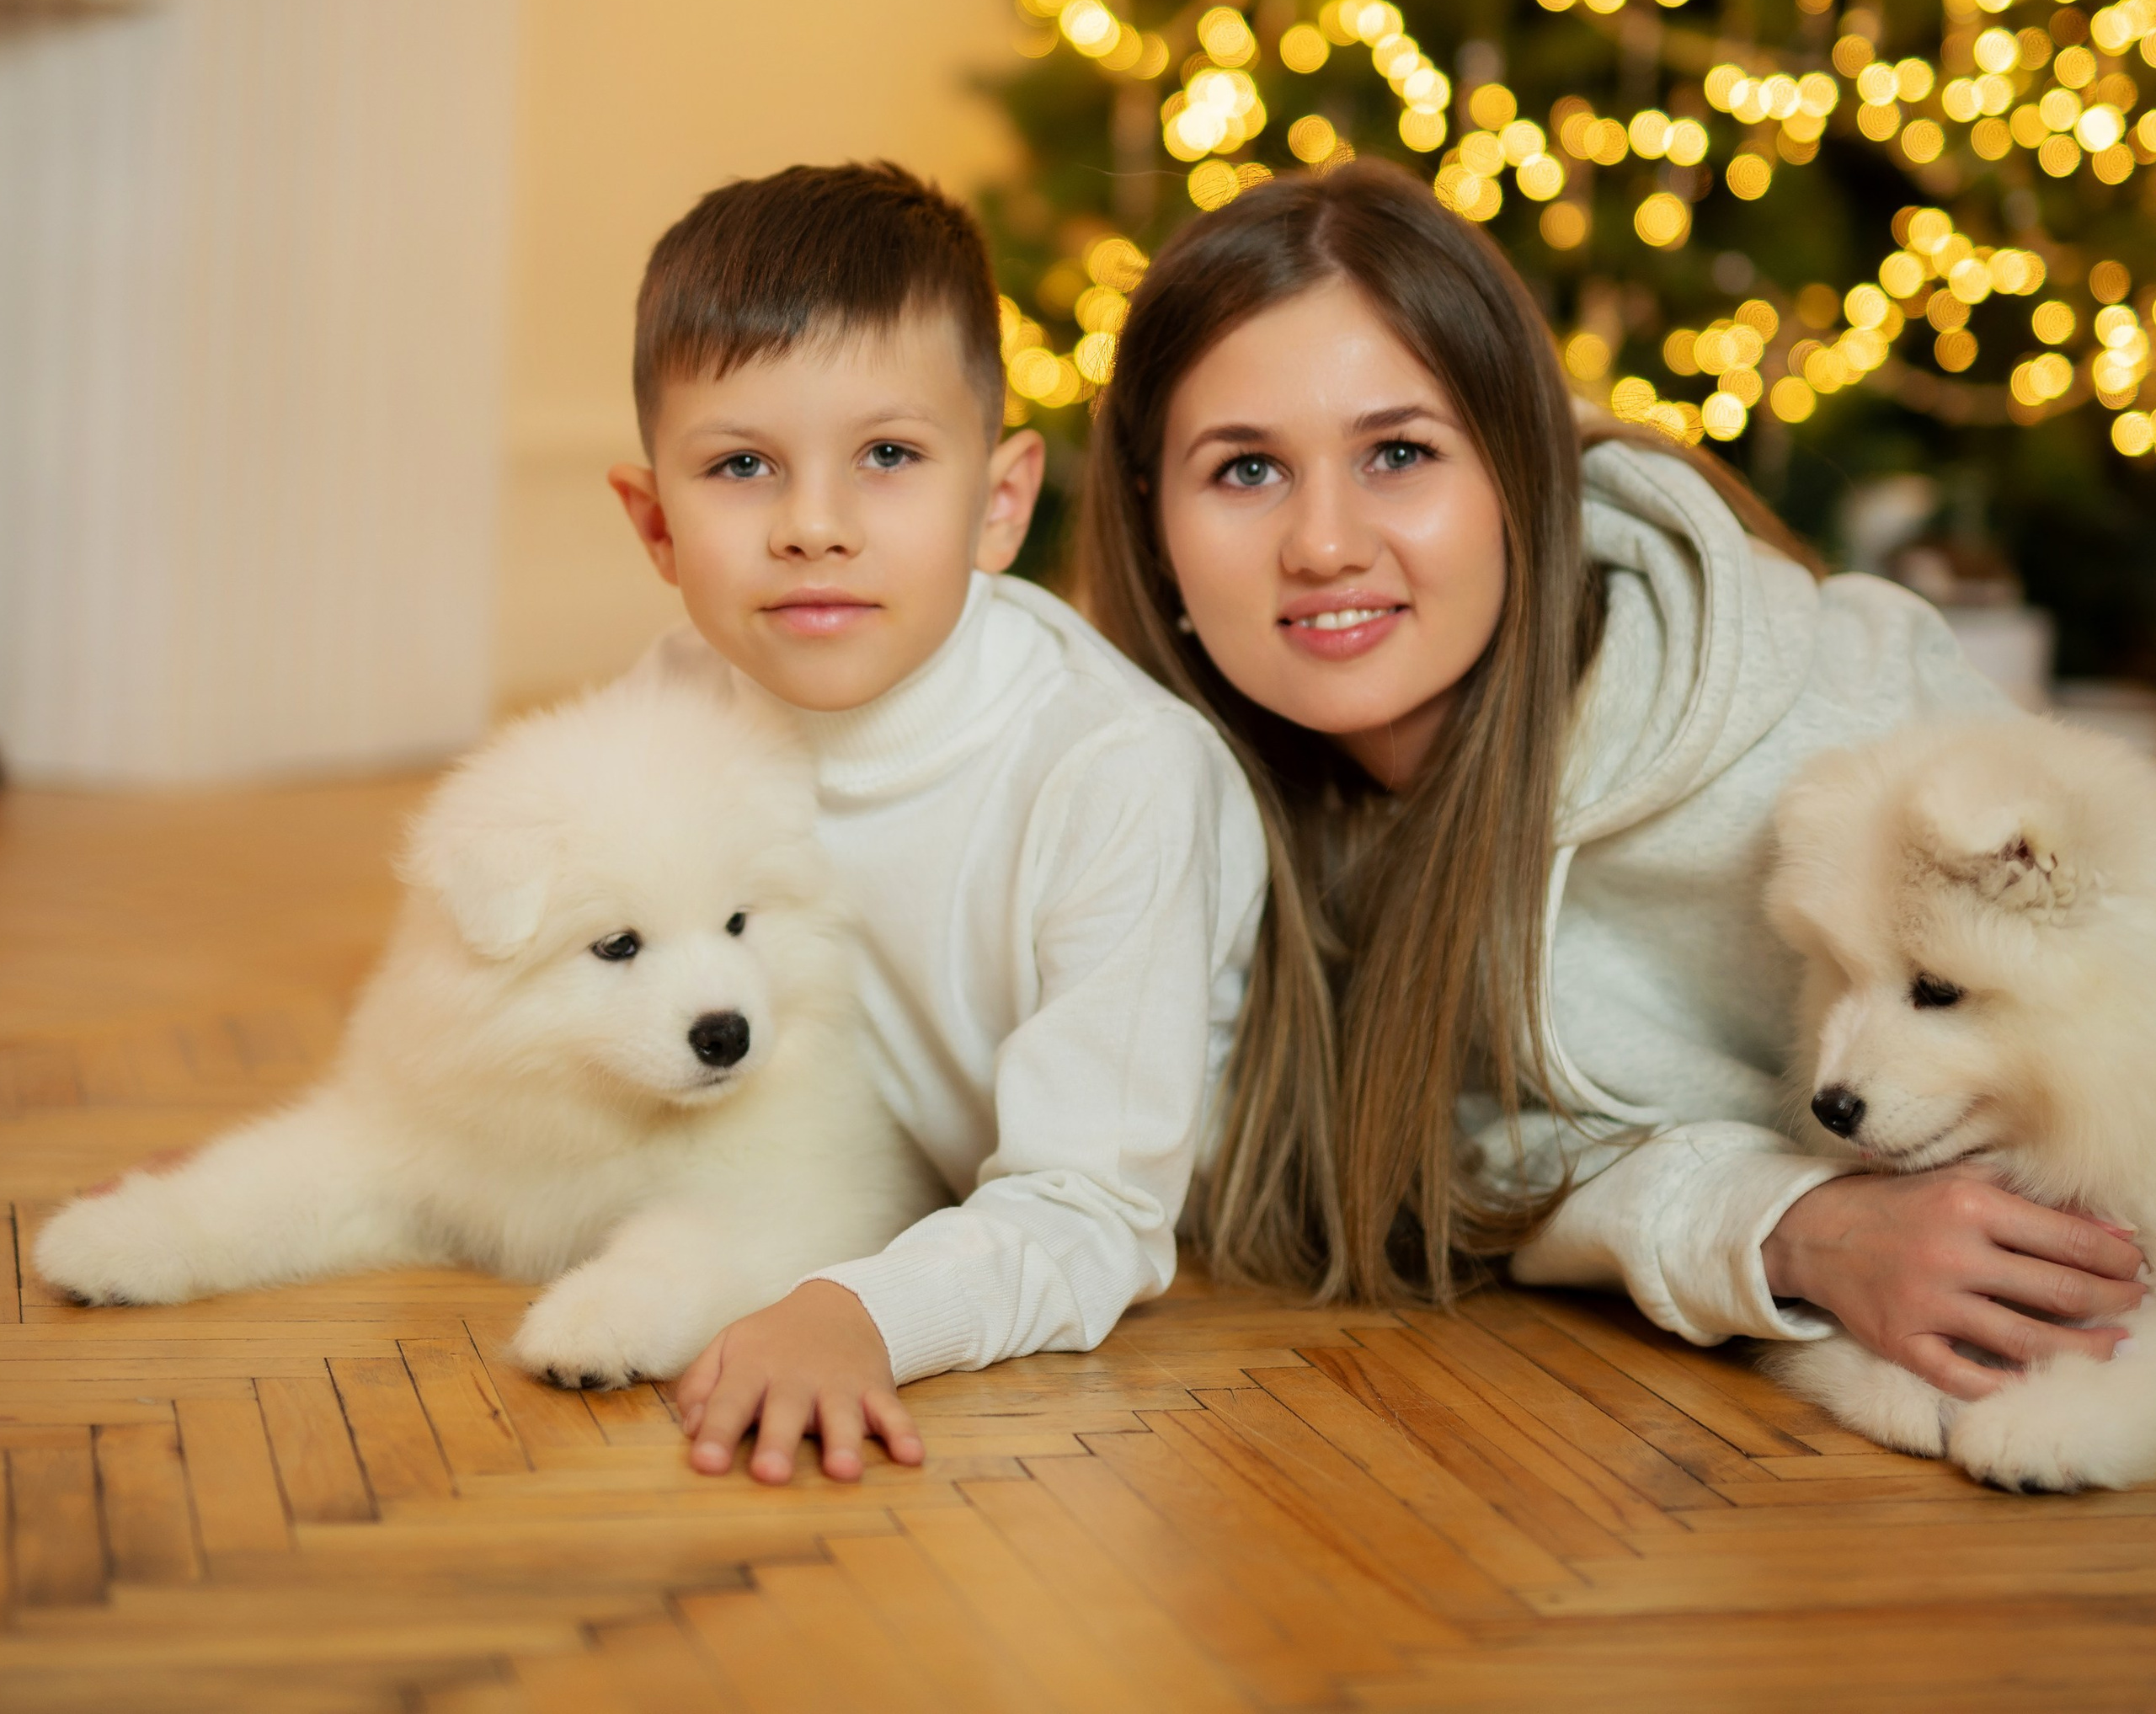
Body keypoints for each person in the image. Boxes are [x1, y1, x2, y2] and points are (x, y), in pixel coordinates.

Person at [1080, 159, 2147, 1401]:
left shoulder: (1828, 716)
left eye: (1400, 454)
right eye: (1246, 470)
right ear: (1155, 526)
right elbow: (1491, 1165)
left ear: (1520, 478)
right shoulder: (1183, 809)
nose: (1323, 545)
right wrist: (1791, 1225)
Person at [607, 161, 1266, 1484]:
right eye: (742, 465)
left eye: (889, 457)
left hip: (1175, 1222)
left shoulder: (1110, 768)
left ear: (1003, 503)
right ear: (657, 525)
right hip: (873, 1191)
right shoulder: (674, 699)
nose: (813, 527)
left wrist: (865, 1312)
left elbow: (1099, 1204)